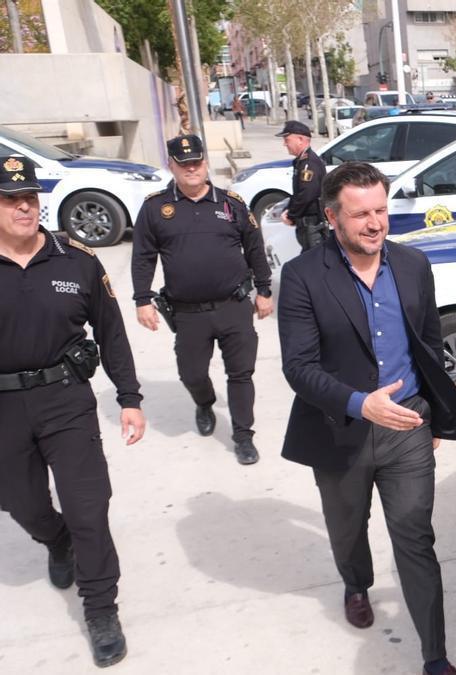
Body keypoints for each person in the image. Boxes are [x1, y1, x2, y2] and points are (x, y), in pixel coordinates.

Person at [277, 161, 456, 675]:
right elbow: (298, 367)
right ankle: (355, 584)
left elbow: (428, 345)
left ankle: (435, 656)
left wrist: (431, 417)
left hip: (407, 425)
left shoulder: (412, 266)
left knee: (415, 536)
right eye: (360, 213)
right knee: (347, 529)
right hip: (340, 430)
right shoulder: (302, 277)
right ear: (332, 217)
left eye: (381, 210)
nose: (375, 223)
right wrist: (359, 403)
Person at [0, 156, 147, 668]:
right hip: (4, 410)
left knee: (88, 508)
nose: (24, 206)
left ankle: (100, 606)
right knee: (22, 504)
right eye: (10, 199)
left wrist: (129, 398)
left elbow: (111, 331)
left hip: (66, 400)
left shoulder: (76, 259)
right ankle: (54, 538)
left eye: (30, 197)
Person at [131, 135, 273, 465]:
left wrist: (264, 290)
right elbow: (142, 257)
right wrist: (141, 299)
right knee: (191, 373)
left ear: (205, 163)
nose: (191, 169)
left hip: (234, 306)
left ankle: (243, 436)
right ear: (172, 166)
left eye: (196, 162)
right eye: (184, 164)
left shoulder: (232, 204)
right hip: (188, 313)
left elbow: (255, 248)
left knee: (241, 374)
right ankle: (205, 402)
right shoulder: (156, 208)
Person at [277, 120, 329, 251]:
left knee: (315, 264)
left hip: (313, 225)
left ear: (300, 139)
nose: (284, 144)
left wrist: (291, 215)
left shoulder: (309, 163)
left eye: (287, 139)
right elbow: (299, 193)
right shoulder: (301, 162)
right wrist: (289, 209)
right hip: (307, 226)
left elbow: (307, 194)